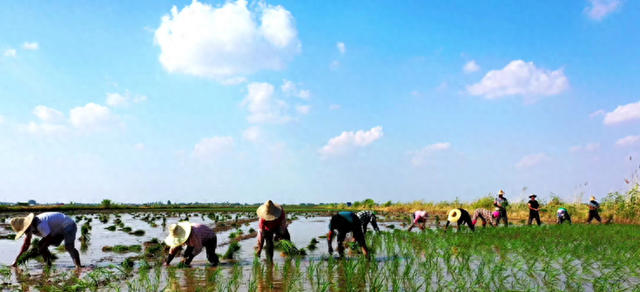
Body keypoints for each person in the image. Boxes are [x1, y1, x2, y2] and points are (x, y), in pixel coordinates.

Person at [10, 212, 81, 268]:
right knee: (41, 245)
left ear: (28, 225)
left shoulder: (39, 224)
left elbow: (49, 237)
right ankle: (48, 265)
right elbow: (26, 245)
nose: (25, 232)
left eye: (25, 230)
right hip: (56, 230)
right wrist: (17, 260)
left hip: (68, 224)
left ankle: (78, 266)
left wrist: (41, 249)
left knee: (69, 246)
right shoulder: (30, 228)